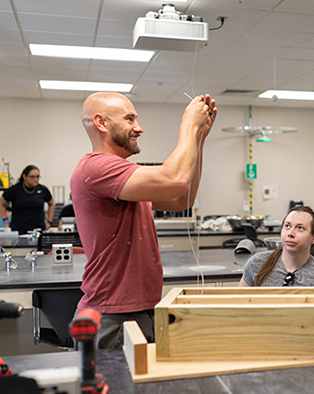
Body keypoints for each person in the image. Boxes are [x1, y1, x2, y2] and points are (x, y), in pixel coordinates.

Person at [71, 92, 216, 348]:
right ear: (101, 123)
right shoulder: (96, 167)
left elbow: (181, 199)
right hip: (113, 316)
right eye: (129, 119)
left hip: (138, 310)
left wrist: (198, 137)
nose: (139, 128)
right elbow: (174, 181)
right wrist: (187, 124)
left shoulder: (125, 177)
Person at [239, 206, 314, 287]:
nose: (290, 233)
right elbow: (240, 303)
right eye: (287, 226)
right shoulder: (256, 263)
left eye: (300, 228)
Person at [0, 165, 55, 234]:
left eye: (38, 177)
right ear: (24, 176)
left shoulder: (43, 190)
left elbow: (51, 204)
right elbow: (1, 203)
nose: (36, 179)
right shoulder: (14, 190)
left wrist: (49, 222)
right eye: (32, 177)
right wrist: (5, 220)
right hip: (19, 230)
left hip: (38, 229)